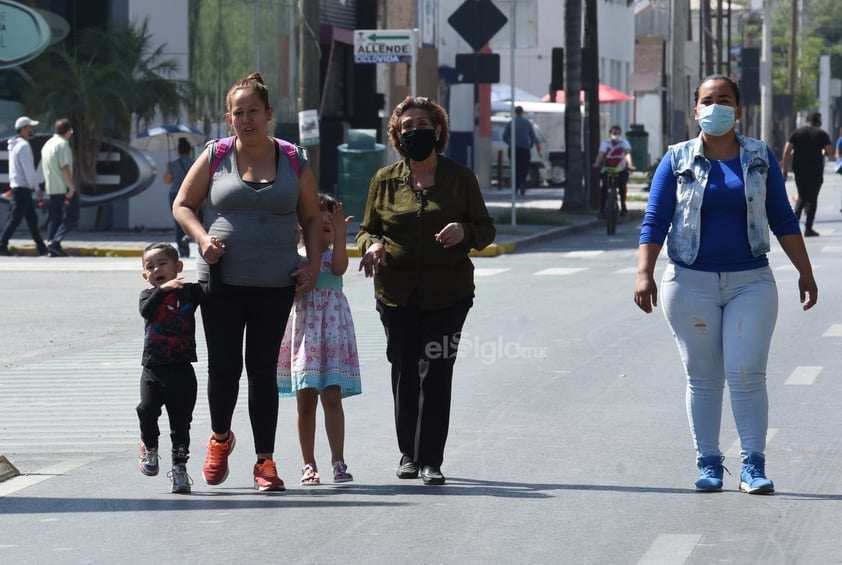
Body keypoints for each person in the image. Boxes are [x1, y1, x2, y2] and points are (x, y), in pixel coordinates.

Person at [634, 74, 818, 495]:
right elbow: (655, 220)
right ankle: (709, 463)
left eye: (724, 100)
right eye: (707, 100)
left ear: (738, 109)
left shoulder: (759, 156)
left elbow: (783, 218)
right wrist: (644, 272)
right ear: (695, 109)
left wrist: (805, 272)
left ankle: (753, 464)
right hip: (689, 282)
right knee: (702, 375)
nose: (715, 107)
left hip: (750, 282)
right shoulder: (676, 159)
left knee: (747, 372)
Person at [172, 72, 322, 492]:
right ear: (229, 117)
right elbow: (183, 205)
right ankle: (220, 438)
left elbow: (311, 216)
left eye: (253, 111)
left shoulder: (294, 158)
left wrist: (310, 264)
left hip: (275, 283)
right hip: (221, 282)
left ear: (269, 114)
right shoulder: (216, 154)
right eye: (238, 112)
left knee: (261, 371)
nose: (246, 119)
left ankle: (265, 462)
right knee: (223, 368)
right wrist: (202, 240)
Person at [357, 96, 496, 485]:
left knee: (436, 370)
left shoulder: (459, 178)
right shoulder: (384, 180)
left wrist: (464, 232)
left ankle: (431, 459)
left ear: (438, 131)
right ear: (397, 136)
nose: (414, 131)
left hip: (447, 295)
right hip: (396, 294)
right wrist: (373, 245)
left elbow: (485, 229)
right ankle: (408, 454)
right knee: (404, 371)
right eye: (407, 127)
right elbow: (368, 228)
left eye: (422, 125)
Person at [277, 193, 361, 485]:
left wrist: (342, 236)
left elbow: (339, 268)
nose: (326, 223)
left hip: (332, 332)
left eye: (331, 220)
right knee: (305, 401)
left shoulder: (331, 255)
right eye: (320, 219)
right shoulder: (294, 258)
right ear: (302, 225)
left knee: (333, 397)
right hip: (304, 334)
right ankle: (308, 464)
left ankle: (338, 461)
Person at [137, 241, 222, 494]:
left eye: (162, 264)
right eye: (150, 267)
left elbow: (212, 292)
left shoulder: (188, 292)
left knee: (180, 423)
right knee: (147, 408)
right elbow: (146, 311)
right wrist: (162, 290)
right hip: (154, 367)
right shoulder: (148, 295)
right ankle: (150, 446)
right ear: (145, 275)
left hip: (182, 368)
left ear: (178, 266)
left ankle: (180, 469)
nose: (156, 270)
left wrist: (214, 262)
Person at [0, 116, 49, 257]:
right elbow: (28, 170)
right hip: (23, 188)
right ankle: (2, 244)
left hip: (20, 187)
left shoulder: (15, 145)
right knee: (15, 218)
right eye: (30, 127)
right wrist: (37, 188)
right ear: (23, 129)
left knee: (32, 220)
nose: (32, 129)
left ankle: (42, 248)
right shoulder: (24, 146)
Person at [781, 111, 833, 237]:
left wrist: (785, 170)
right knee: (812, 198)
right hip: (815, 171)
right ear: (818, 122)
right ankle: (808, 228)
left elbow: (787, 151)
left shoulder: (797, 133)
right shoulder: (821, 134)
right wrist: (823, 152)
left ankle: (793, 226)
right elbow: (829, 151)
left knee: (802, 196)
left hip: (799, 170)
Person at [40, 118, 78, 257]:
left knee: (54, 217)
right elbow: (65, 167)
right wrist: (71, 187)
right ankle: (55, 242)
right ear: (67, 131)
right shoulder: (62, 145)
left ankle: (51, 245)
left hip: (51, 188)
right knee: (73, 214)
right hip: (63, 188)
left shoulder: (47, 144)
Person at [592, 124, 635, 216]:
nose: (616, 135)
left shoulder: (624, 143)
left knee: (622, 186)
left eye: (618, 133)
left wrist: (630, 165)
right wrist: (597, 163)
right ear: (610, 134)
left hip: (621, 168)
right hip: (607, 168)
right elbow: (601, 154)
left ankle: (623, 206)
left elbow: (627, 154)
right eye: (614, 133)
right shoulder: (605, 144)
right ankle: (602, 209)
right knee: (604, 188)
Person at [163, 137, 195, 257]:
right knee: (192, 219)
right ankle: (188, 237)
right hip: (191, 193)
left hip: (175, 194)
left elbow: (167, 180)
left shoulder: (174, 164)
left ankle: (182, 249)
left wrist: (168, 168)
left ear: (178, 151)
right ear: (189, 150)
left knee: (178, 222)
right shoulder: (194, 162)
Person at [502, 105, 541, 195]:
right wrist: (530, 145)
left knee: (515, 168)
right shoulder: (527, 123)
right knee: (524, 168)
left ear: (515, 112)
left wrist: (510, 143)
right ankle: (523, 183)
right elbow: (533, 136)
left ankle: (516, 186)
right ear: (522, 112)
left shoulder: (511, 123)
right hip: (524, 149)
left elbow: (504, 137)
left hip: (514, 149)